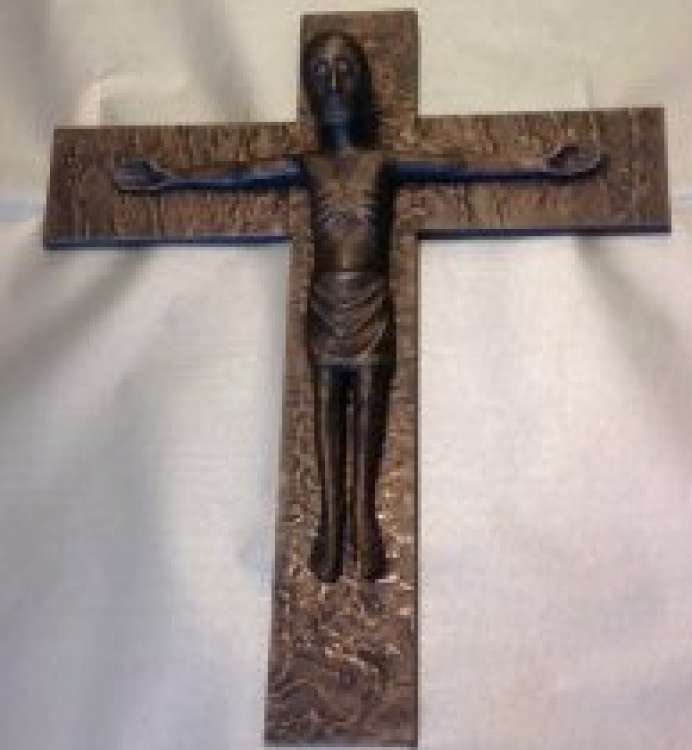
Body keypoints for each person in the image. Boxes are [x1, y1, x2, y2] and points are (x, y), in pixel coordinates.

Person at [116, 31, 602, 582]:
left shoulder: (382, 163)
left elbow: (459, 164)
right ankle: (330, 521)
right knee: (326, 402)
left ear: (365, 81)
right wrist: (171, 178)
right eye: (321, 72)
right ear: (309, 89)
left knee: (371, 402)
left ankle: (365, 519)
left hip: (370, 297)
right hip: (327, 299)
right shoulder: (309, 165)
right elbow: (240, 173)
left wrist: (538, 164)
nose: (334, 81)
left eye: (345, 68)